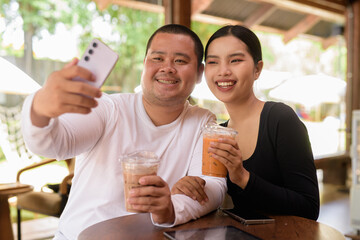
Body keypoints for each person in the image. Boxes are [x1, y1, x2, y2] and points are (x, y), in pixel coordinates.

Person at [21, 24, 226, 240]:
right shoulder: (107, 108)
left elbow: (213, 185)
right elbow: (54, 145)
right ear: (144, 64)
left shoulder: (202, 121)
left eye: (180, 61)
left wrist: (169, 208)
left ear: (199, 73)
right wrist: (40, 109)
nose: (167, 68)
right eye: (157, 58)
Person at [171, 25, 320, 220]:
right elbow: (214, 198)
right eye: (213, 62)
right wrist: (187, 187)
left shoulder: (280, 119)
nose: (223, 71)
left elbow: (309, 208)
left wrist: (242, 177)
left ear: (257, 69)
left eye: (235, 60)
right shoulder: (218, 132)